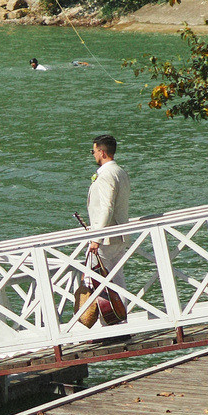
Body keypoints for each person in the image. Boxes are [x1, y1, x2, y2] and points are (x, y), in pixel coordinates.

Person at [79, 135, 133, 327]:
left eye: (93, 151)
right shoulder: (121, 172)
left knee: (95, 281)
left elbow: (107, 208)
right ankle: (120, 321)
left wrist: (96, 238)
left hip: (106, 237)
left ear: (102, 152)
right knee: (117, 281)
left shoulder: (106, 174)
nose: (93, 155)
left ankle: (107, 324)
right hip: (120, 234)